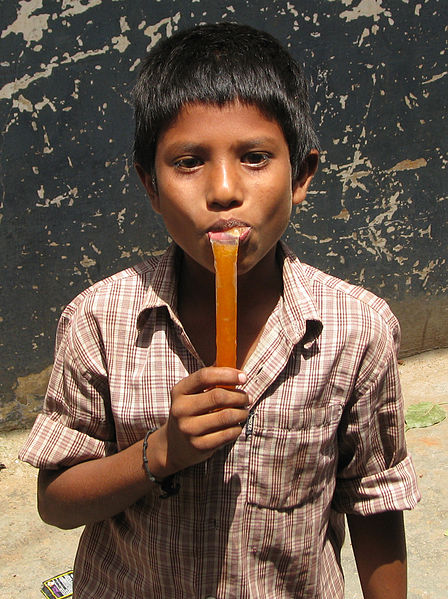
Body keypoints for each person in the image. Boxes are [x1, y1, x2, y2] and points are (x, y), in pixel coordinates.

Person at [20, 22, 420, 598]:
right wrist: (158, 452)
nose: (224, 190)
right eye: (188, 162)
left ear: (301, 176)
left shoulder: (358, 328)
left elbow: (374, 500)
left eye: (255, 158)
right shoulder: (98, 321)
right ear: (150, 186)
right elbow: (56, 500)